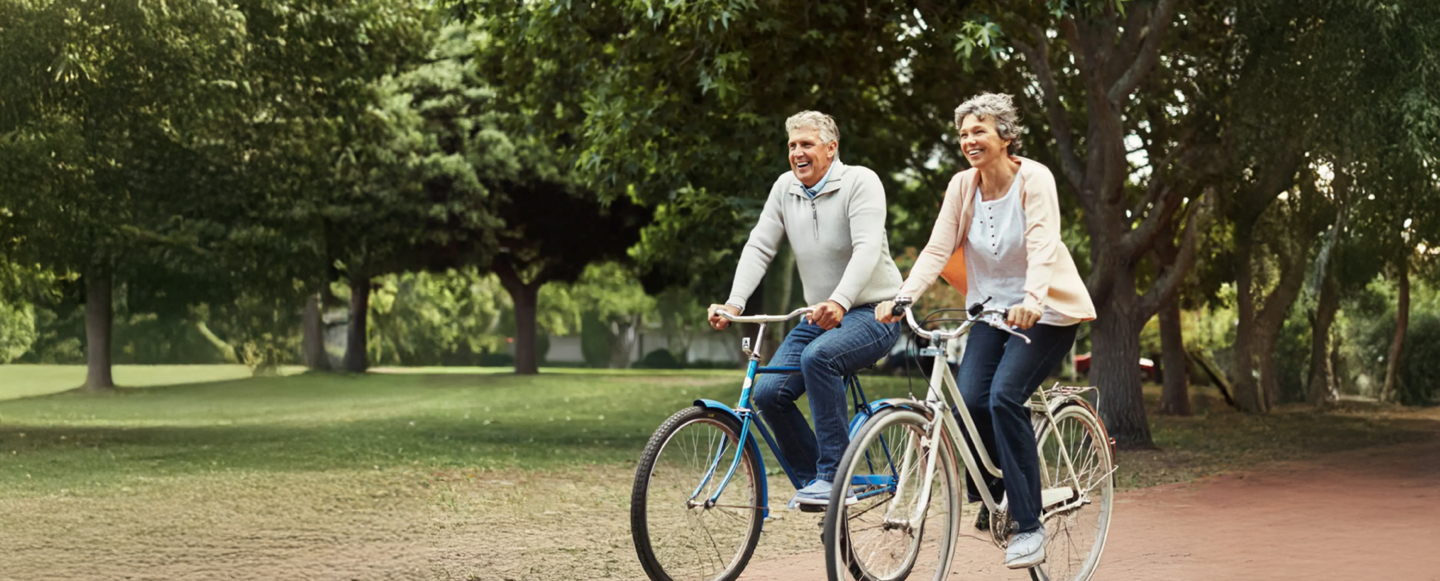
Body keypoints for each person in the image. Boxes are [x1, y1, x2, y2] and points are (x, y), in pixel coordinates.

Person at [876, 93, 1096, 568]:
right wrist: (903, 297)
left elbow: (1042, 245)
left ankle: (1029, 524)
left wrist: (1033, 301)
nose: (969, 140)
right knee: (971, 399)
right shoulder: (963, 186)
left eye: (979, 131)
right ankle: (999, 493)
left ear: (1005, 136)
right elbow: (937, 249)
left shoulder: (1034, 179)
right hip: (989, 313)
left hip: (1045, 313)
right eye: (963, 134)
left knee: (1003, 396)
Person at [708, 111, 903, 509]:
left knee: (820, 358)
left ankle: (834, 476)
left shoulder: (860, 182)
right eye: (792, 145)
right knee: (768, 392)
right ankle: (818, 486)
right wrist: (734, 302)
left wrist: (840, 301)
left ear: (831, 149)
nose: (798, 152)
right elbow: (760, 245)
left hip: (874, 312)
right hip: (819, 314)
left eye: (807, 144)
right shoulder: (785, 188)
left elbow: (867, 249)